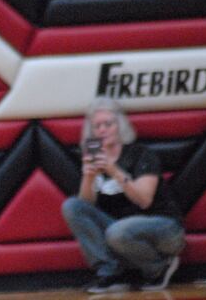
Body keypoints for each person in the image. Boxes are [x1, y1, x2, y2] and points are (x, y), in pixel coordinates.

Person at [62, 97, 186, 294]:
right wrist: (88, 176)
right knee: (72, 206)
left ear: (120, 126)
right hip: (120, 233)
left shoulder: (140, 154)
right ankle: (109, 273)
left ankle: (158, 267)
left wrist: (114, 171)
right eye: (97, 126)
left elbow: (144, 201)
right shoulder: (95, 159)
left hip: (164, 228)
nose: (102, 130)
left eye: (108, 124)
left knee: (118, 231)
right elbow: (85, 209)